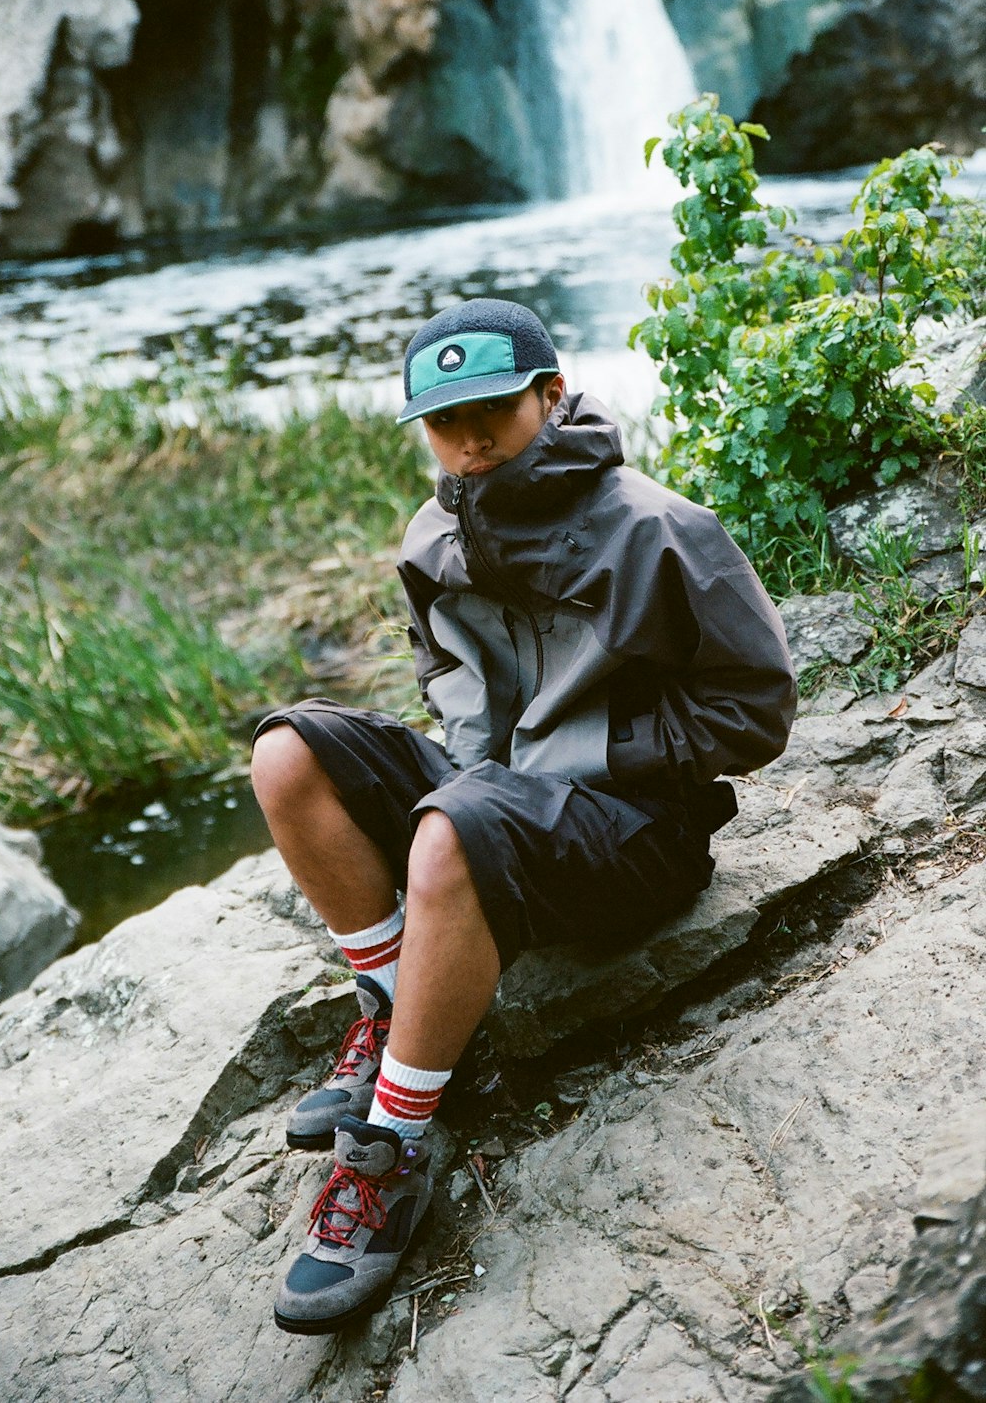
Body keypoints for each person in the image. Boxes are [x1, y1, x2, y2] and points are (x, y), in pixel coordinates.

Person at [251, 297, 797, 1334]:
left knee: (451, 827)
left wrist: (588, 753)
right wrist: (476, 768)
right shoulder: (432, 531)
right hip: (492, 796)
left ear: (552, 396)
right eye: (442, 422)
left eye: (492, 414)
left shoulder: (656, 527)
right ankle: (392, 1005)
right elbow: (439, 666)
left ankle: (393, 1142)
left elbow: (757, 704)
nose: (466, 443)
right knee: (286, 752)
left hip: (632, 834)